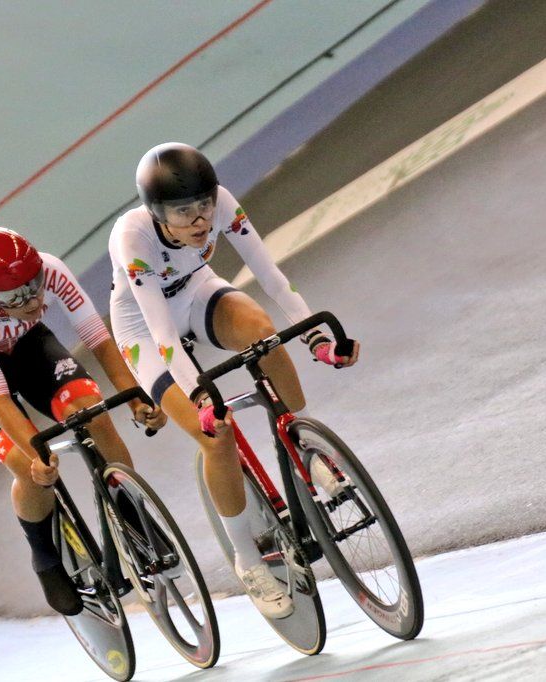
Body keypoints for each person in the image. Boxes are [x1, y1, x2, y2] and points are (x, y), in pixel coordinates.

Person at [108, 142, 360, 619]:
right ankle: (247, 559)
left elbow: (272, 277)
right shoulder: (132, 237)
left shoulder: (221, 202)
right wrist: (202, 395)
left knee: (264, 334)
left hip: (199, 291)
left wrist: (316, 341)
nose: (200, 220)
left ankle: (307, 446)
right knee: (216, 434)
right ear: (156, 213)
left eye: (203, 205)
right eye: (183, 213)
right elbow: (163, 335)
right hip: (144, 327)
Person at [0, 227, 165, 616]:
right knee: (29, 468)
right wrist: (37, 453)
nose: (31, 300)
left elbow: (97, 337)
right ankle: (45, 559)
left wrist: (135, 397)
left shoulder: (52, 268)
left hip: (30, 349)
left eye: (35, 285)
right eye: (14, 296)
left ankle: (131, 513)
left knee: (93, 414)